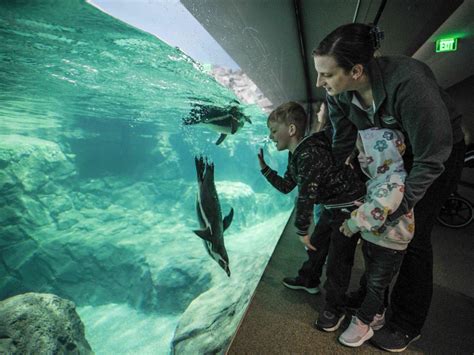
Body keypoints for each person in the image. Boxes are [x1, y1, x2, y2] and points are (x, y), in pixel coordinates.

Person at [313, 23, 465, 352]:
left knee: (412, 232)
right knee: (375, 232)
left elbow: (431, 156)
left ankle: (407, 322)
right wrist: (330, 179)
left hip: (436, 154)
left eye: (326, 74)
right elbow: (342, 141)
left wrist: (401, 205)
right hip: (388, 157)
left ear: (355, 70)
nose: (319, 83)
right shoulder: (338, 96)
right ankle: (374, 300)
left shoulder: (409, 83)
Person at [258, 101, 366, 331]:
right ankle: (308, 280)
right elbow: (288, 185)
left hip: (348, 206)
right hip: (332, 204)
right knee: (317, 245)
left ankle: (334, 309)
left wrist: (301, 228)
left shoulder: (308, 155)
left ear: (292, 130)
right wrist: (265, 169)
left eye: (274, 131)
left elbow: (306, 195)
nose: (270, 136)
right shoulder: (296, 154)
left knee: (339, 259)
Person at [337, 127, 414, 347]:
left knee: (375, 286)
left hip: (389, 243)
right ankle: (377, 313)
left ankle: (363, 323)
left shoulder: (394, 181)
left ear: (382, 153)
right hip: (379, 239)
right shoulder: (383, 176)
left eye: (363, 151)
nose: (360, 157)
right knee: (373, 279)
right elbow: (379, 206)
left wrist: (353, 223)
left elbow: (379, 208)